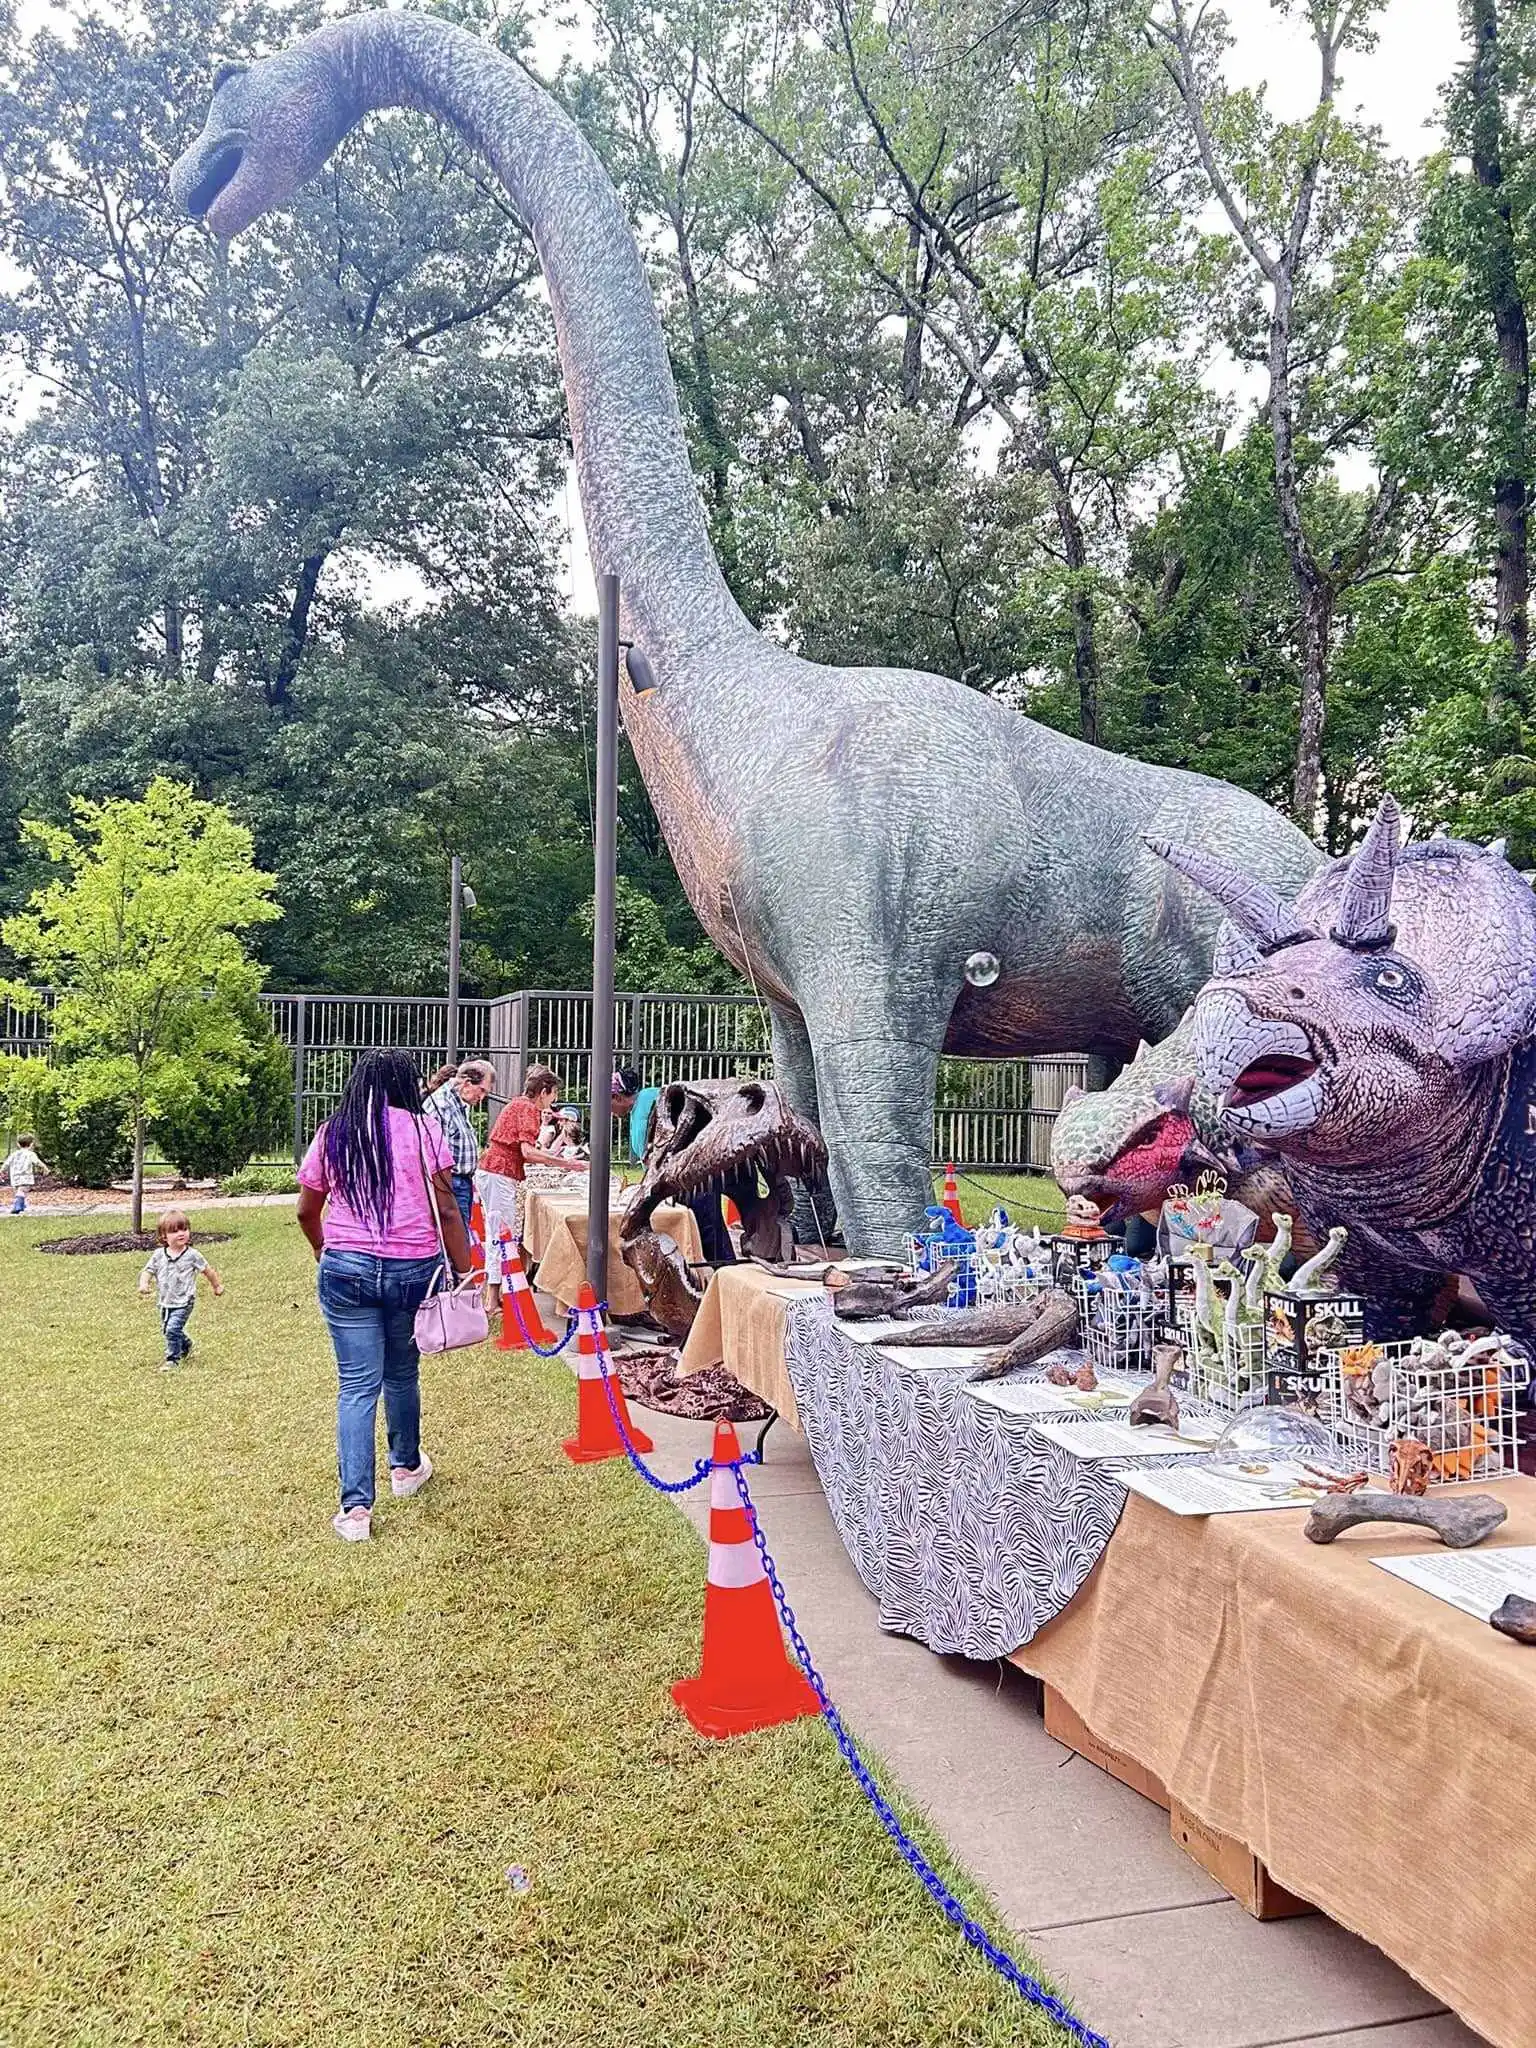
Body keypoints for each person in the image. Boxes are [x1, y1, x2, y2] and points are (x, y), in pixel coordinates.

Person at [297, 1049, 472, 1544]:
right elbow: (449, 1209)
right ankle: (406, 1467)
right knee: (401, 1371)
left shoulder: (335, 1131)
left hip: (345, 1267)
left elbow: (308, 1208)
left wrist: (321, 1247)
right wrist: (465, 1269)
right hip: (412, 1268)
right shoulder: (423, 1131)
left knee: (355, 1387)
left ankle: (355, 1510)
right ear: (405, 1084)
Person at [476, 1063, 583, 1301]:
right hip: (499, 1172)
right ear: (544, 1091)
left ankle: (497, 1294)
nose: (554, 1100)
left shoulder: (520, 1105)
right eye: (554, 1093)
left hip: (497, 1171)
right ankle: (494, 1298)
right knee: (502, 1233)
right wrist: (567, 1164)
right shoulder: (526, 1109)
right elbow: (528, 1152)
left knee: (501, 1231)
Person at [610, 1069, 735, 1265]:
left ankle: (726, 1275)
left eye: (608, 1104)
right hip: (689, 1170)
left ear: (617, 1097)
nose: (608, 1111)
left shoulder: (646, 1109)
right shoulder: (647, 1100)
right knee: (708, 1228)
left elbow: (655, 1157)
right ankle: (720, 1271)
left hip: (689, 1175)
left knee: (708, 1229)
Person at [138, 1209, 224, 1370]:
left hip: (185, 1300)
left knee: (172, 1329)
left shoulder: (193, 1255)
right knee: (168, 1329)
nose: (181, 1233)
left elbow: (207, 1271)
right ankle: (186, 1344)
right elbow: (147, 1271)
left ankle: (173, 1360)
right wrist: (144, 1284)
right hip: (165, 1301)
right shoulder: (158, 1255)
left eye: (184, 1229)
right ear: (164, 1236)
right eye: (175, 1231)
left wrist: (217, 1286)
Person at [424, 1059, 495, 1231]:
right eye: (482, 1090)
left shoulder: (458, 1102)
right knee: (455, 1236)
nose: (482, 1097)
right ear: (467, 1083)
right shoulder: (441, 1105)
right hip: (450, 1184)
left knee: (461, 1234)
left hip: (459, 1182)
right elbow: (434, 1157)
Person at [3, 1133, 47, 1214]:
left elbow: (7, 1163)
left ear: (18, 1144)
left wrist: (2, 1170)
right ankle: (18, 1206)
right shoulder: (30, 1154)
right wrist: (44, 1167)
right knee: (22, 1191)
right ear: (31, 1144)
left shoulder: (14, 1154)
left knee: (19, 1191)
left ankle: (21, 1205)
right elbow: (37, 1162)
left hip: (15, 1177)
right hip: (26, 1176)